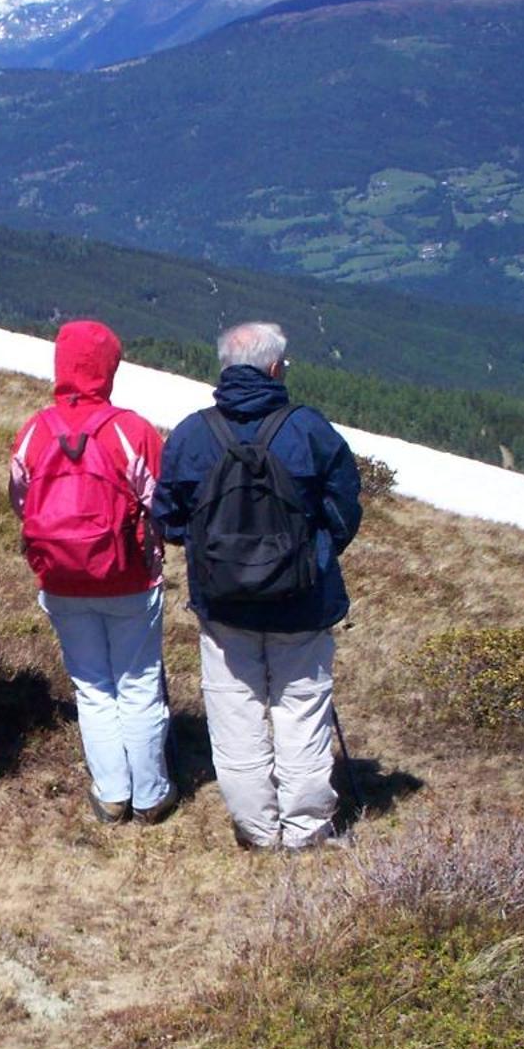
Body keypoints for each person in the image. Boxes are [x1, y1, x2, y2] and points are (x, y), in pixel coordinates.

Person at [153, 322, 362, 851]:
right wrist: (311, 556)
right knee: (301, 712)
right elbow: (343, 509)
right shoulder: (309, 429)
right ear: (275, 369)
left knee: (234, 716)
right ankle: (306, 830)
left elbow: (168, 517)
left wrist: (215, 558)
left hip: (223, 606)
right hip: (302, 602)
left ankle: (257, 829)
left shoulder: (193, 433)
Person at [9, 320, 176, 825]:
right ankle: (151, 795)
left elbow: (21, 502)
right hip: (129, 578)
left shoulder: (36, 430)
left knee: (93, 687)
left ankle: (111, 793)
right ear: (109, 369)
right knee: (139, 683)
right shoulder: (134, 431)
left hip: (61, 580)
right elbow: (161, 503)